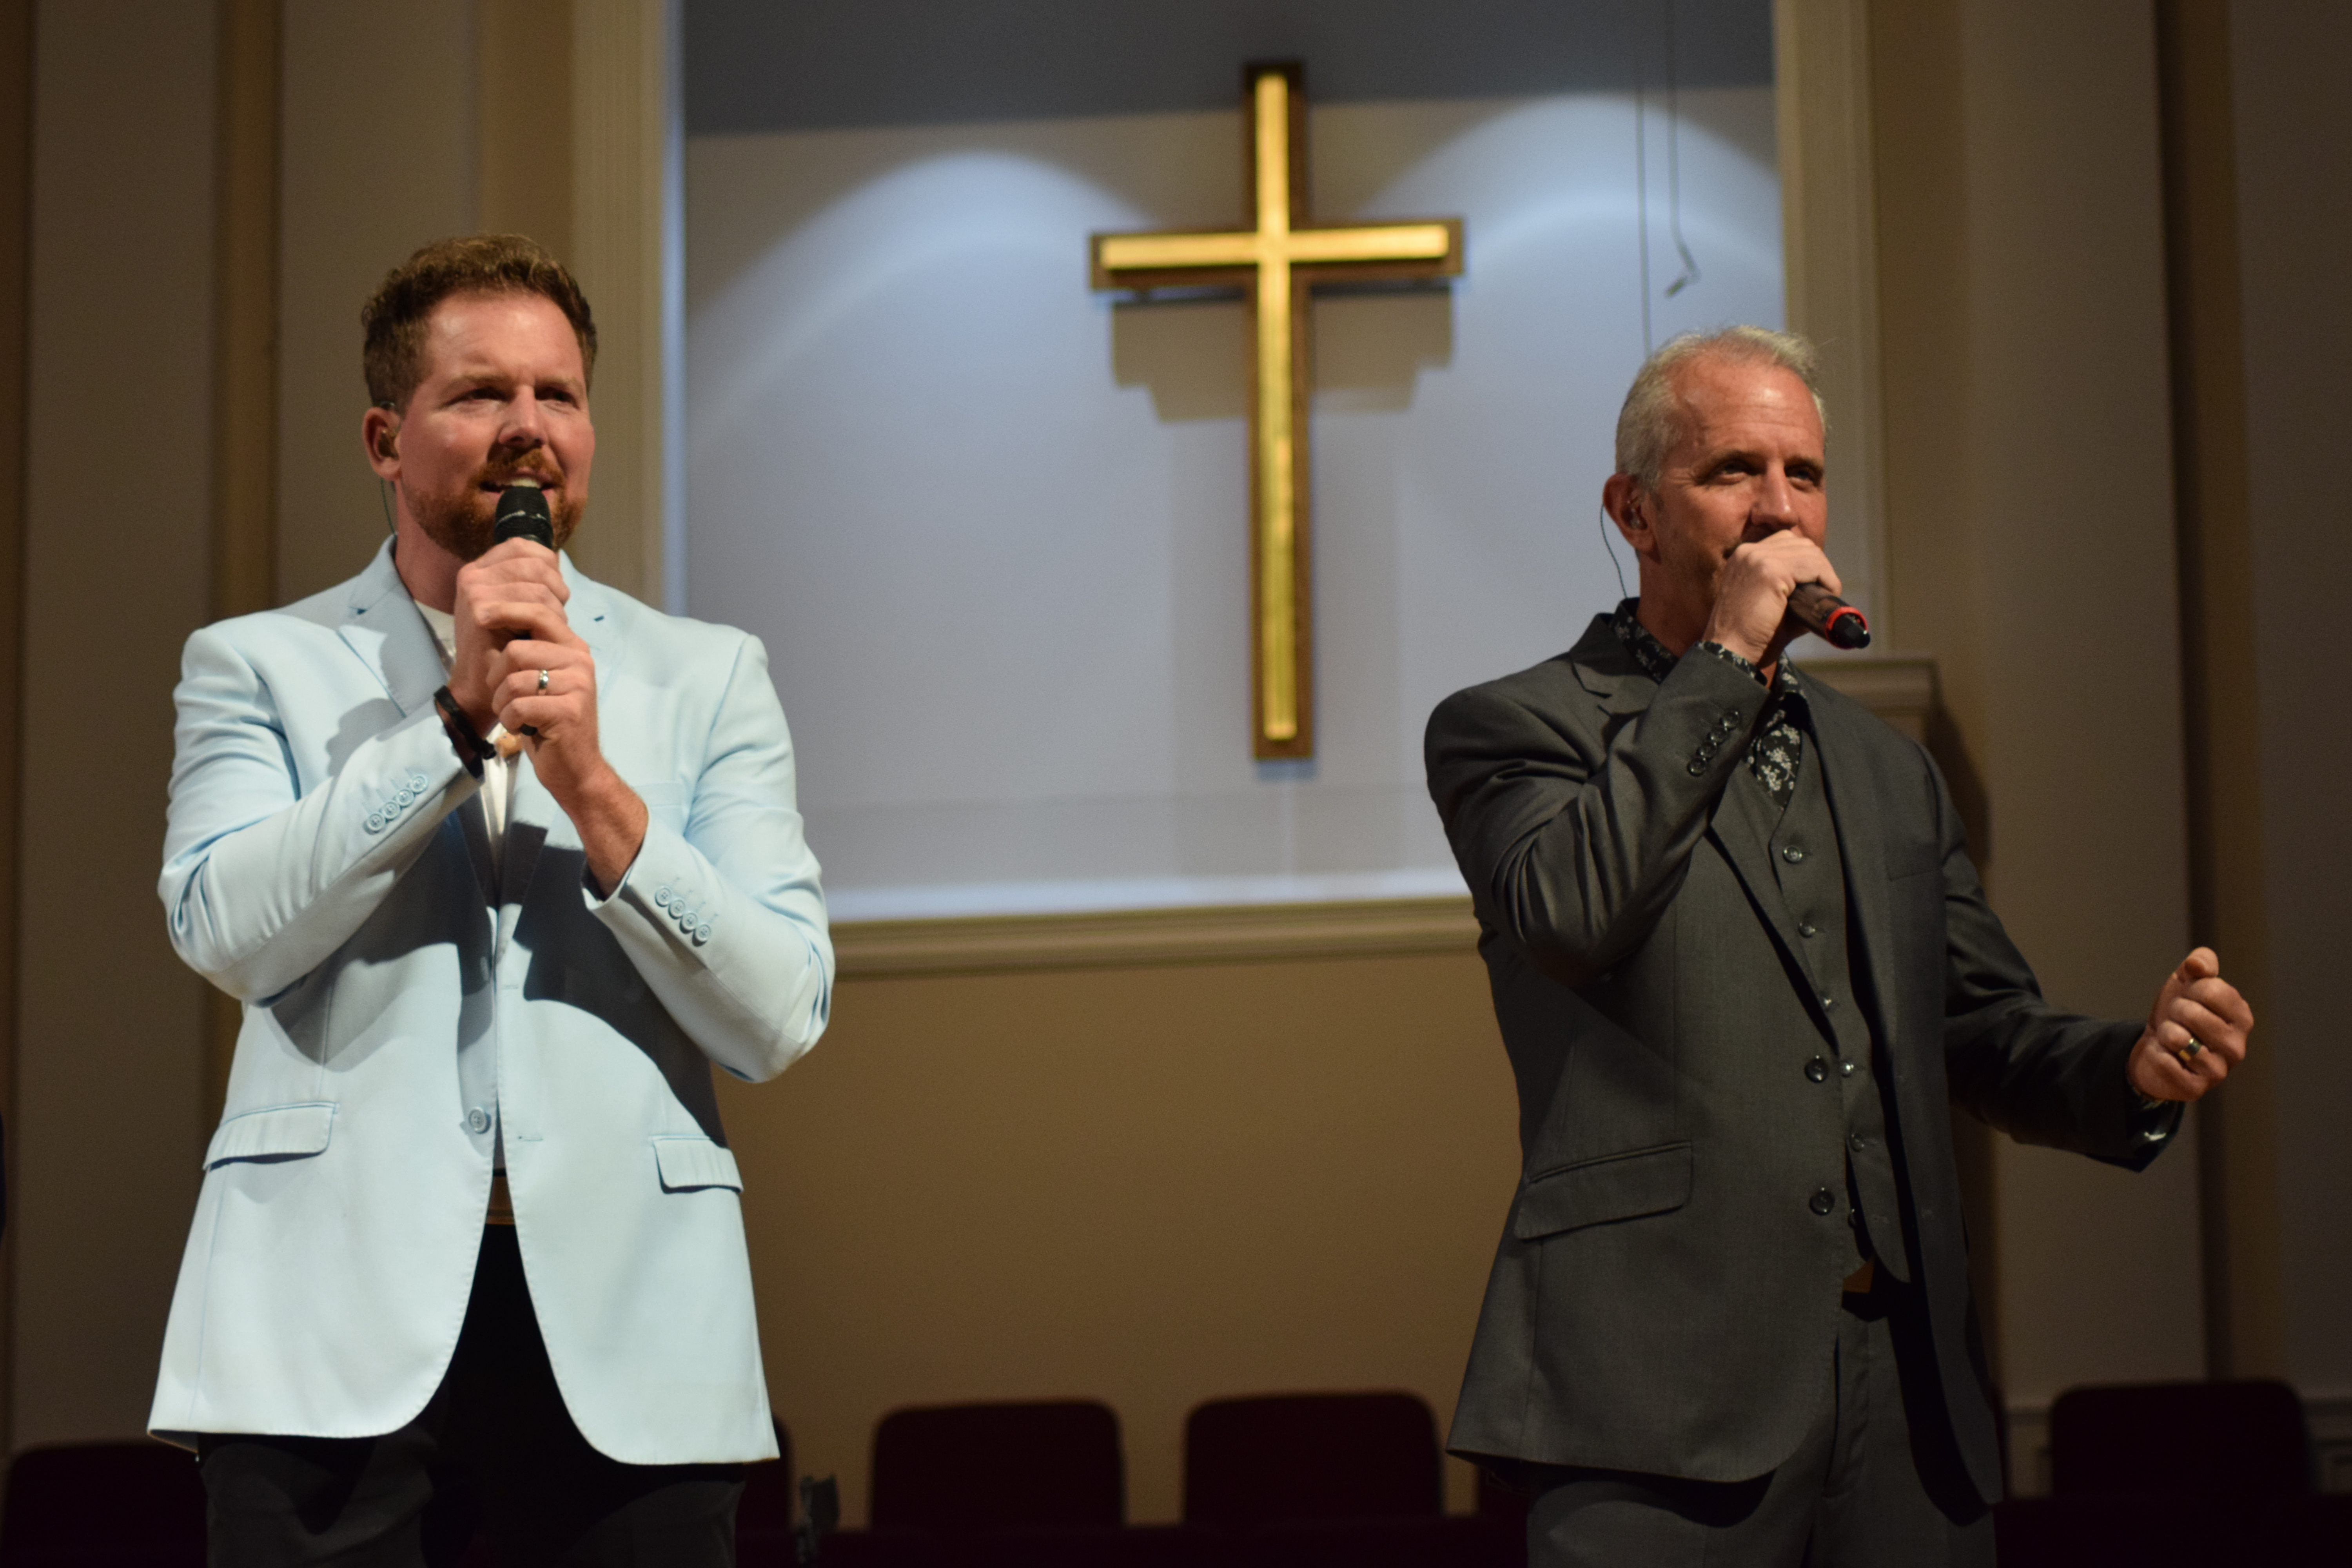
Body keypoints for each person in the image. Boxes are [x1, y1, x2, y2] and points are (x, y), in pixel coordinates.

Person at [1423, 326, 2252, 1566]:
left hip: (1906, 1398)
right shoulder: (1514, 727)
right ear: (1634, 513)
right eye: (1733, 472)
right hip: (1654, 1394)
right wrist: (1724, 662)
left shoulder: (1884, 770)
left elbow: (1979, 1027)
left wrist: (2131, 1070)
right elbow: (1572, 913)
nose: (1778, 509)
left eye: (1803, 475)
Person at [150, 234, 833, 1565]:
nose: (529, 425)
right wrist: (453, 728)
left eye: (558, 394)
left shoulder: (708, 677)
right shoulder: (258, 664)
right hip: (322, 1326)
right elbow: (224, 932)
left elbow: (780, 1014)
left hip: (632, 1331)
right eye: (480, 394)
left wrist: (597, 792)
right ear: (383, 440)